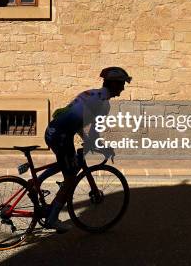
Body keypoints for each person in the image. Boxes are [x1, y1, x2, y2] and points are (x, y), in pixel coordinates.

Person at [43, 66, 131, 233]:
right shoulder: (103, 104)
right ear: (112, 84)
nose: (123, 88)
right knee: (70, 179)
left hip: (52, 130)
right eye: (121, 84)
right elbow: (94, 135)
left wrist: (88, 140)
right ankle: (52, 218)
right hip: (62, 136)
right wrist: (104, 149)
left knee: (67, 164)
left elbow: (70, 117)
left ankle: (36, 184)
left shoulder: (89, 93)